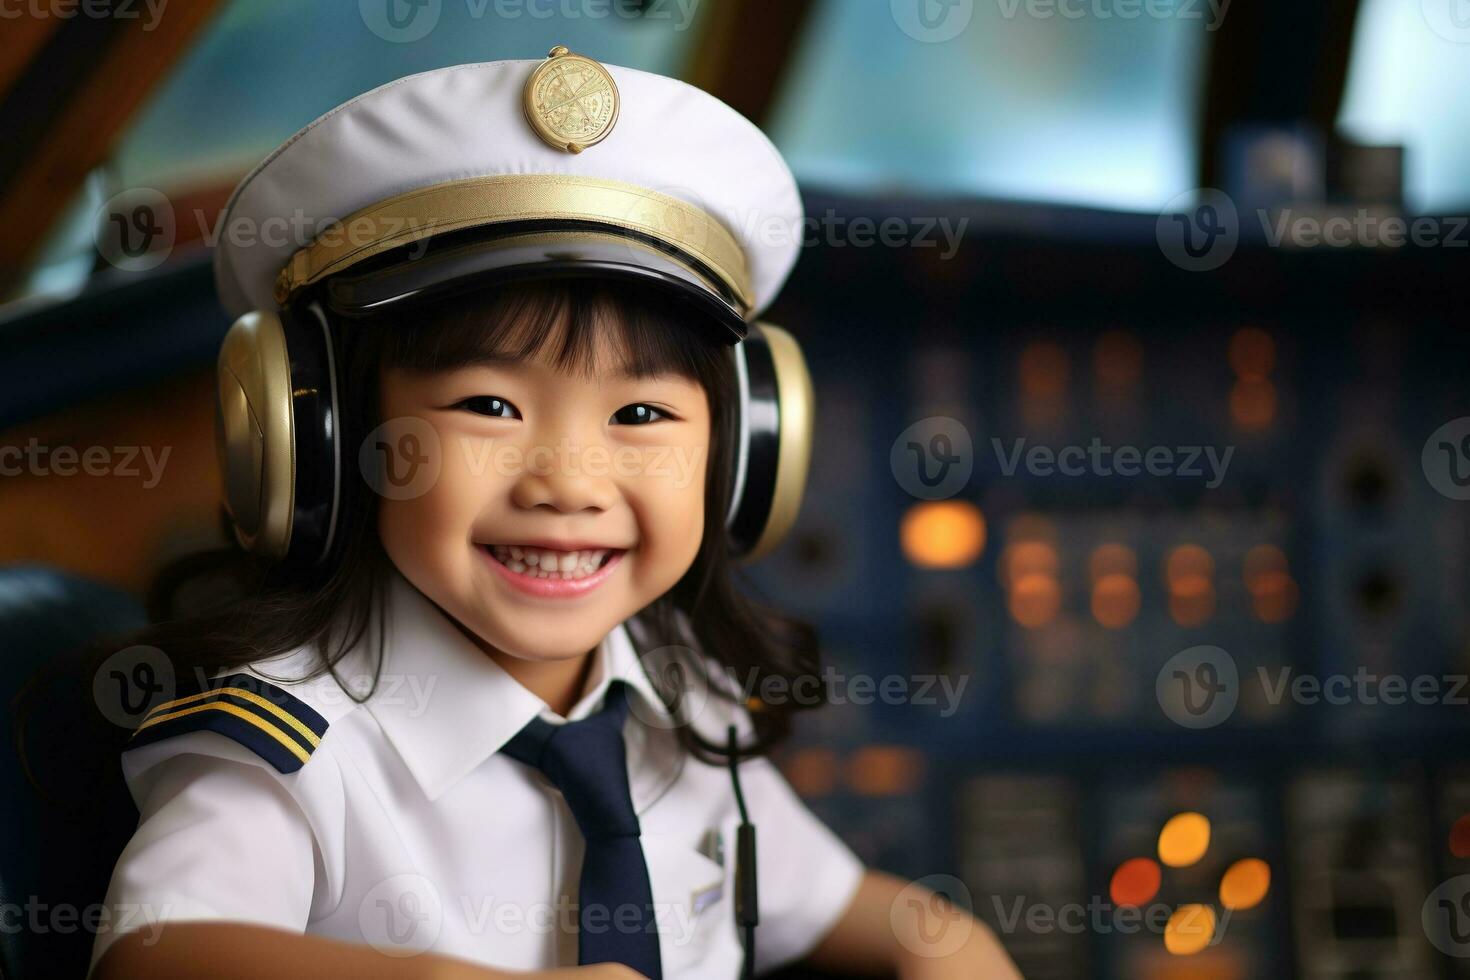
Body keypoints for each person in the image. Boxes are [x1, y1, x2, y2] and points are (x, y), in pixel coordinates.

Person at [89, 48, 1022, 980]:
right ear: (324, 436)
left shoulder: (680, 706)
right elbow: (154, 956)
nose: (568, 483)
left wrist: (950, 945)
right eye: (489, 407)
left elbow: (843, 908)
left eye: (642, 415)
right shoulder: (290, 743)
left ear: (738, 462)